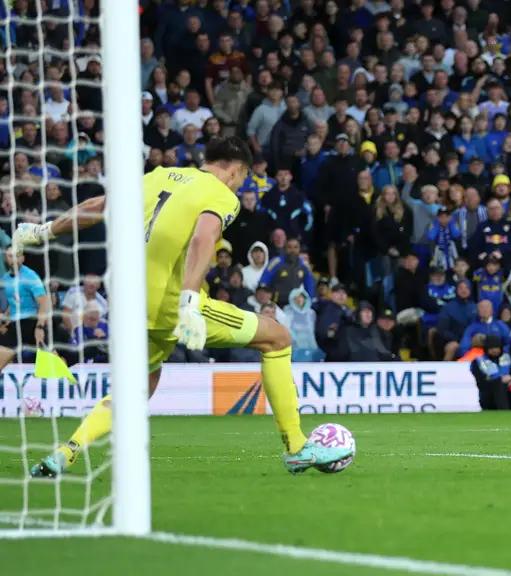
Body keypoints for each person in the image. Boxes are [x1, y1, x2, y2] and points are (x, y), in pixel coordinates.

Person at [15, 136, 349, 477]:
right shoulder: (222, 194)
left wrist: (44, 231)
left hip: (129, 304)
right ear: (236, 171)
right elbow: (204, 237)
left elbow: (99, 205)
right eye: (243, 178)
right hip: (174, 304)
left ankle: (67, 451)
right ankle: (296, 447)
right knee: (277, 338)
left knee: (141, 383)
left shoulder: (159, 175)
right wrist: (189, 298)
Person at [470, 334, 511, 410]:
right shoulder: (478, 362)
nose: (495, 350)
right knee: (499, 386)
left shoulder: (506, 358)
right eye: (491, 348)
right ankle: (505, 413)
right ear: (486, 349)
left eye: (497, 347)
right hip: (489, 398)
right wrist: (500, 380)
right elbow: (481, 383)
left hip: (506, 395)